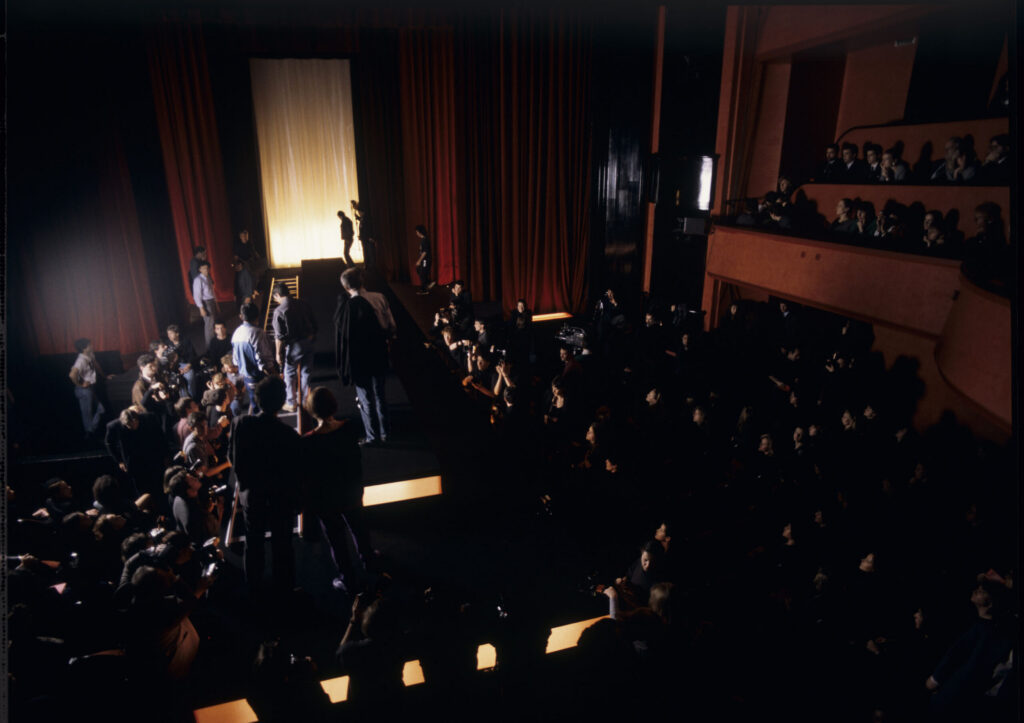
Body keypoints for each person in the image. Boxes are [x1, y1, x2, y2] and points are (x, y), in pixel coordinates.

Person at [228, 376, 300, 600]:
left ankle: (254, 587)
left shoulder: (240, 424)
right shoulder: (289, 436)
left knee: (254, 539)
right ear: (280, 403)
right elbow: (295, 473)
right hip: (280, 498)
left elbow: (233, 459)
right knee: (282, 544)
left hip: (251, 495)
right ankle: (284, 589)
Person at [300, 387, 371, 593]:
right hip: (351, 491)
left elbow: (308, 476)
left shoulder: (307, 442)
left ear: (311, 411)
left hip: (326, 499)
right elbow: (356, 461)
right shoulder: (349, 428)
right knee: (359, 527)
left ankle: (348, 579)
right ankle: (368, 559)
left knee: (337, 540)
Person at [336, 269, 390, 445]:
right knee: (380, 395)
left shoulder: (346, 307)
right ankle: (385, 433)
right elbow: (392, 326)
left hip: (359, 358)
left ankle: (372, 436)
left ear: (345, 286)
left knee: (365, 398)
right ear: (363, 281)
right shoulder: (379, 297)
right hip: (379, 351)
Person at [271, 283, 318, 413]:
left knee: (289, 373)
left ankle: (291, 402)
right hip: (308, 341)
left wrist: (277, 354)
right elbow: (314, 322)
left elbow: (279, 336)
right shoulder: (304, 303)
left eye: (275, 298)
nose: (276, 300)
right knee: (306, 372)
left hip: (294, 345)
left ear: (278, 295)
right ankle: (305, 401)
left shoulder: (279, 311)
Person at [231, 303, 276, 414]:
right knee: (266, 405)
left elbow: (235, 361)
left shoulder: (236, 334)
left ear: (241, 316)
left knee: (254, 403)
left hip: (247, 377)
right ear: (257, 316)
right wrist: (275, 376)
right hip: (260, 376)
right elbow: (265, 360)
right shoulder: (258, 333)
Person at [68, 338, 108, 438]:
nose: (92, 346)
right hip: (84, 390)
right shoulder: (81, 360)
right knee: (87, 414)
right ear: (84, 348)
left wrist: (104, 376)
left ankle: (91, 430)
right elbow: (72, 375)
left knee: (101, 410)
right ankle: (90, 434)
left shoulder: (89, 355)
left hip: (90, 388)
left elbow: (96, 365)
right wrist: (80, 385)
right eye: (90, 345)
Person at [192, 259, 217, 350]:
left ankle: (214, 343)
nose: (206, 270)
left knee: (213, 323)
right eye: (203, 268)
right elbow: (197, 295)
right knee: (209, 325)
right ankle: (209, 346)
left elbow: (211, 290)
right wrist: (201, 308)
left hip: (211, 301)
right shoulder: (198, 280)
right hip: (205, 303)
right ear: (200, 269)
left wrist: (216, 302)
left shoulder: (208, 277)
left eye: (207, 268)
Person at [414, 224, 433, 294]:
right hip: (424, 260)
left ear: (419, 232)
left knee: (422, 273)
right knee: (419, 270)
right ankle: (428, 283)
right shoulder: (424, 240)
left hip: (425, 260)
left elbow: (425, 252)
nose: (416, 234)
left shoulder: (425, 240)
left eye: (416, 232)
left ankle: (424, 289)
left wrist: (419, 261)